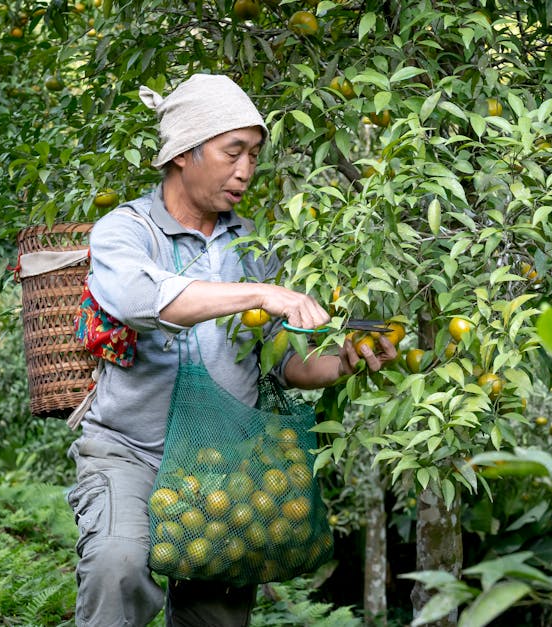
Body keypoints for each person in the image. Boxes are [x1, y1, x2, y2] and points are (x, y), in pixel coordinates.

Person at [66, 73, 398, 627]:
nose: (246, 169)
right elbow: (134, 297)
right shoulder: (127, 230)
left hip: (219, 464)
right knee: (117, 566)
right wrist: (261, 293)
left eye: (254, 154)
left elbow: (283, 363)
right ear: (183, 154)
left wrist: (342, 362)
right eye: (232, 152)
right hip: (131, 452)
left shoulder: (253, 247)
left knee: (216, 616)